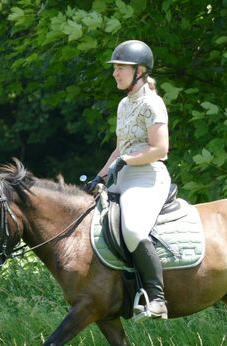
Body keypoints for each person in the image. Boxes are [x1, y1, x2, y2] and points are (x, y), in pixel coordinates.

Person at [85, 40, 171, 320]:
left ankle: (157, 298)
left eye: (120, 68)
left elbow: (160, 149)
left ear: (139, 71)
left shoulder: (153, 104)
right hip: (122, 174)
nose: (115, 73)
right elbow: (120, 148)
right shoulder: (124, 104)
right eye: (115, 68)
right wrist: (98, 175)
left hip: (147, 177)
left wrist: (126, 161)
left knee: (133, 229)